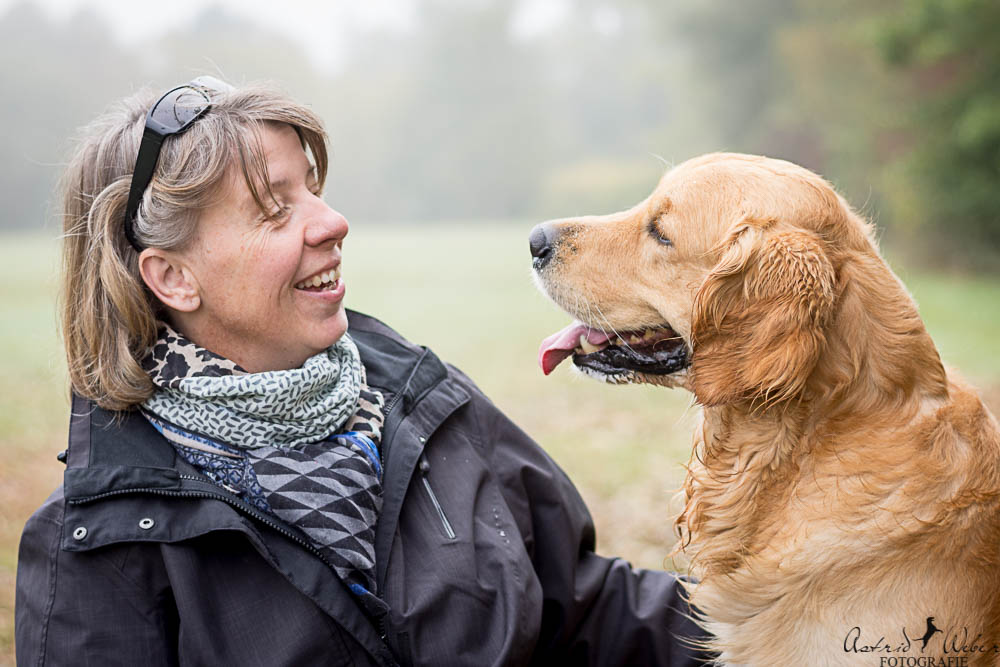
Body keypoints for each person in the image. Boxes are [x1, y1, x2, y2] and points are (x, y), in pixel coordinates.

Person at [14, 76, 712, 666]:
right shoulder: (99, 543)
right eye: (273, 209)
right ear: (173, 277)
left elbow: (588, 610)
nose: (333, 222)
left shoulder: (423, 401)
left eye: (314, 189)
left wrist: (766, 630)